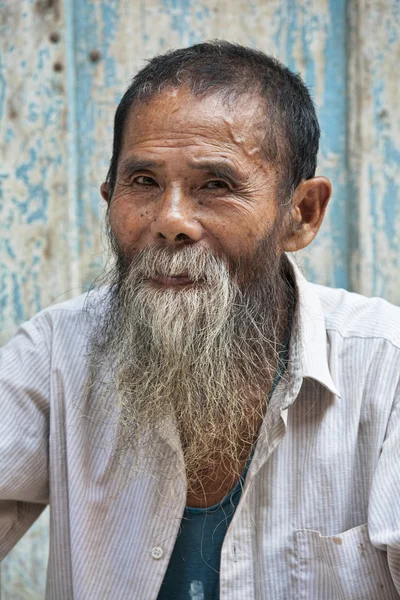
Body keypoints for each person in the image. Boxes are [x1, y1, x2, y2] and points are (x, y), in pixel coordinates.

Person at [1, 40, 399, 600]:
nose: (172, 221)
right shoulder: (57, 351)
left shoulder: (386, 366)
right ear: (108, 197)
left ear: (301, 214)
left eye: (217, 184)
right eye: (143, 182)